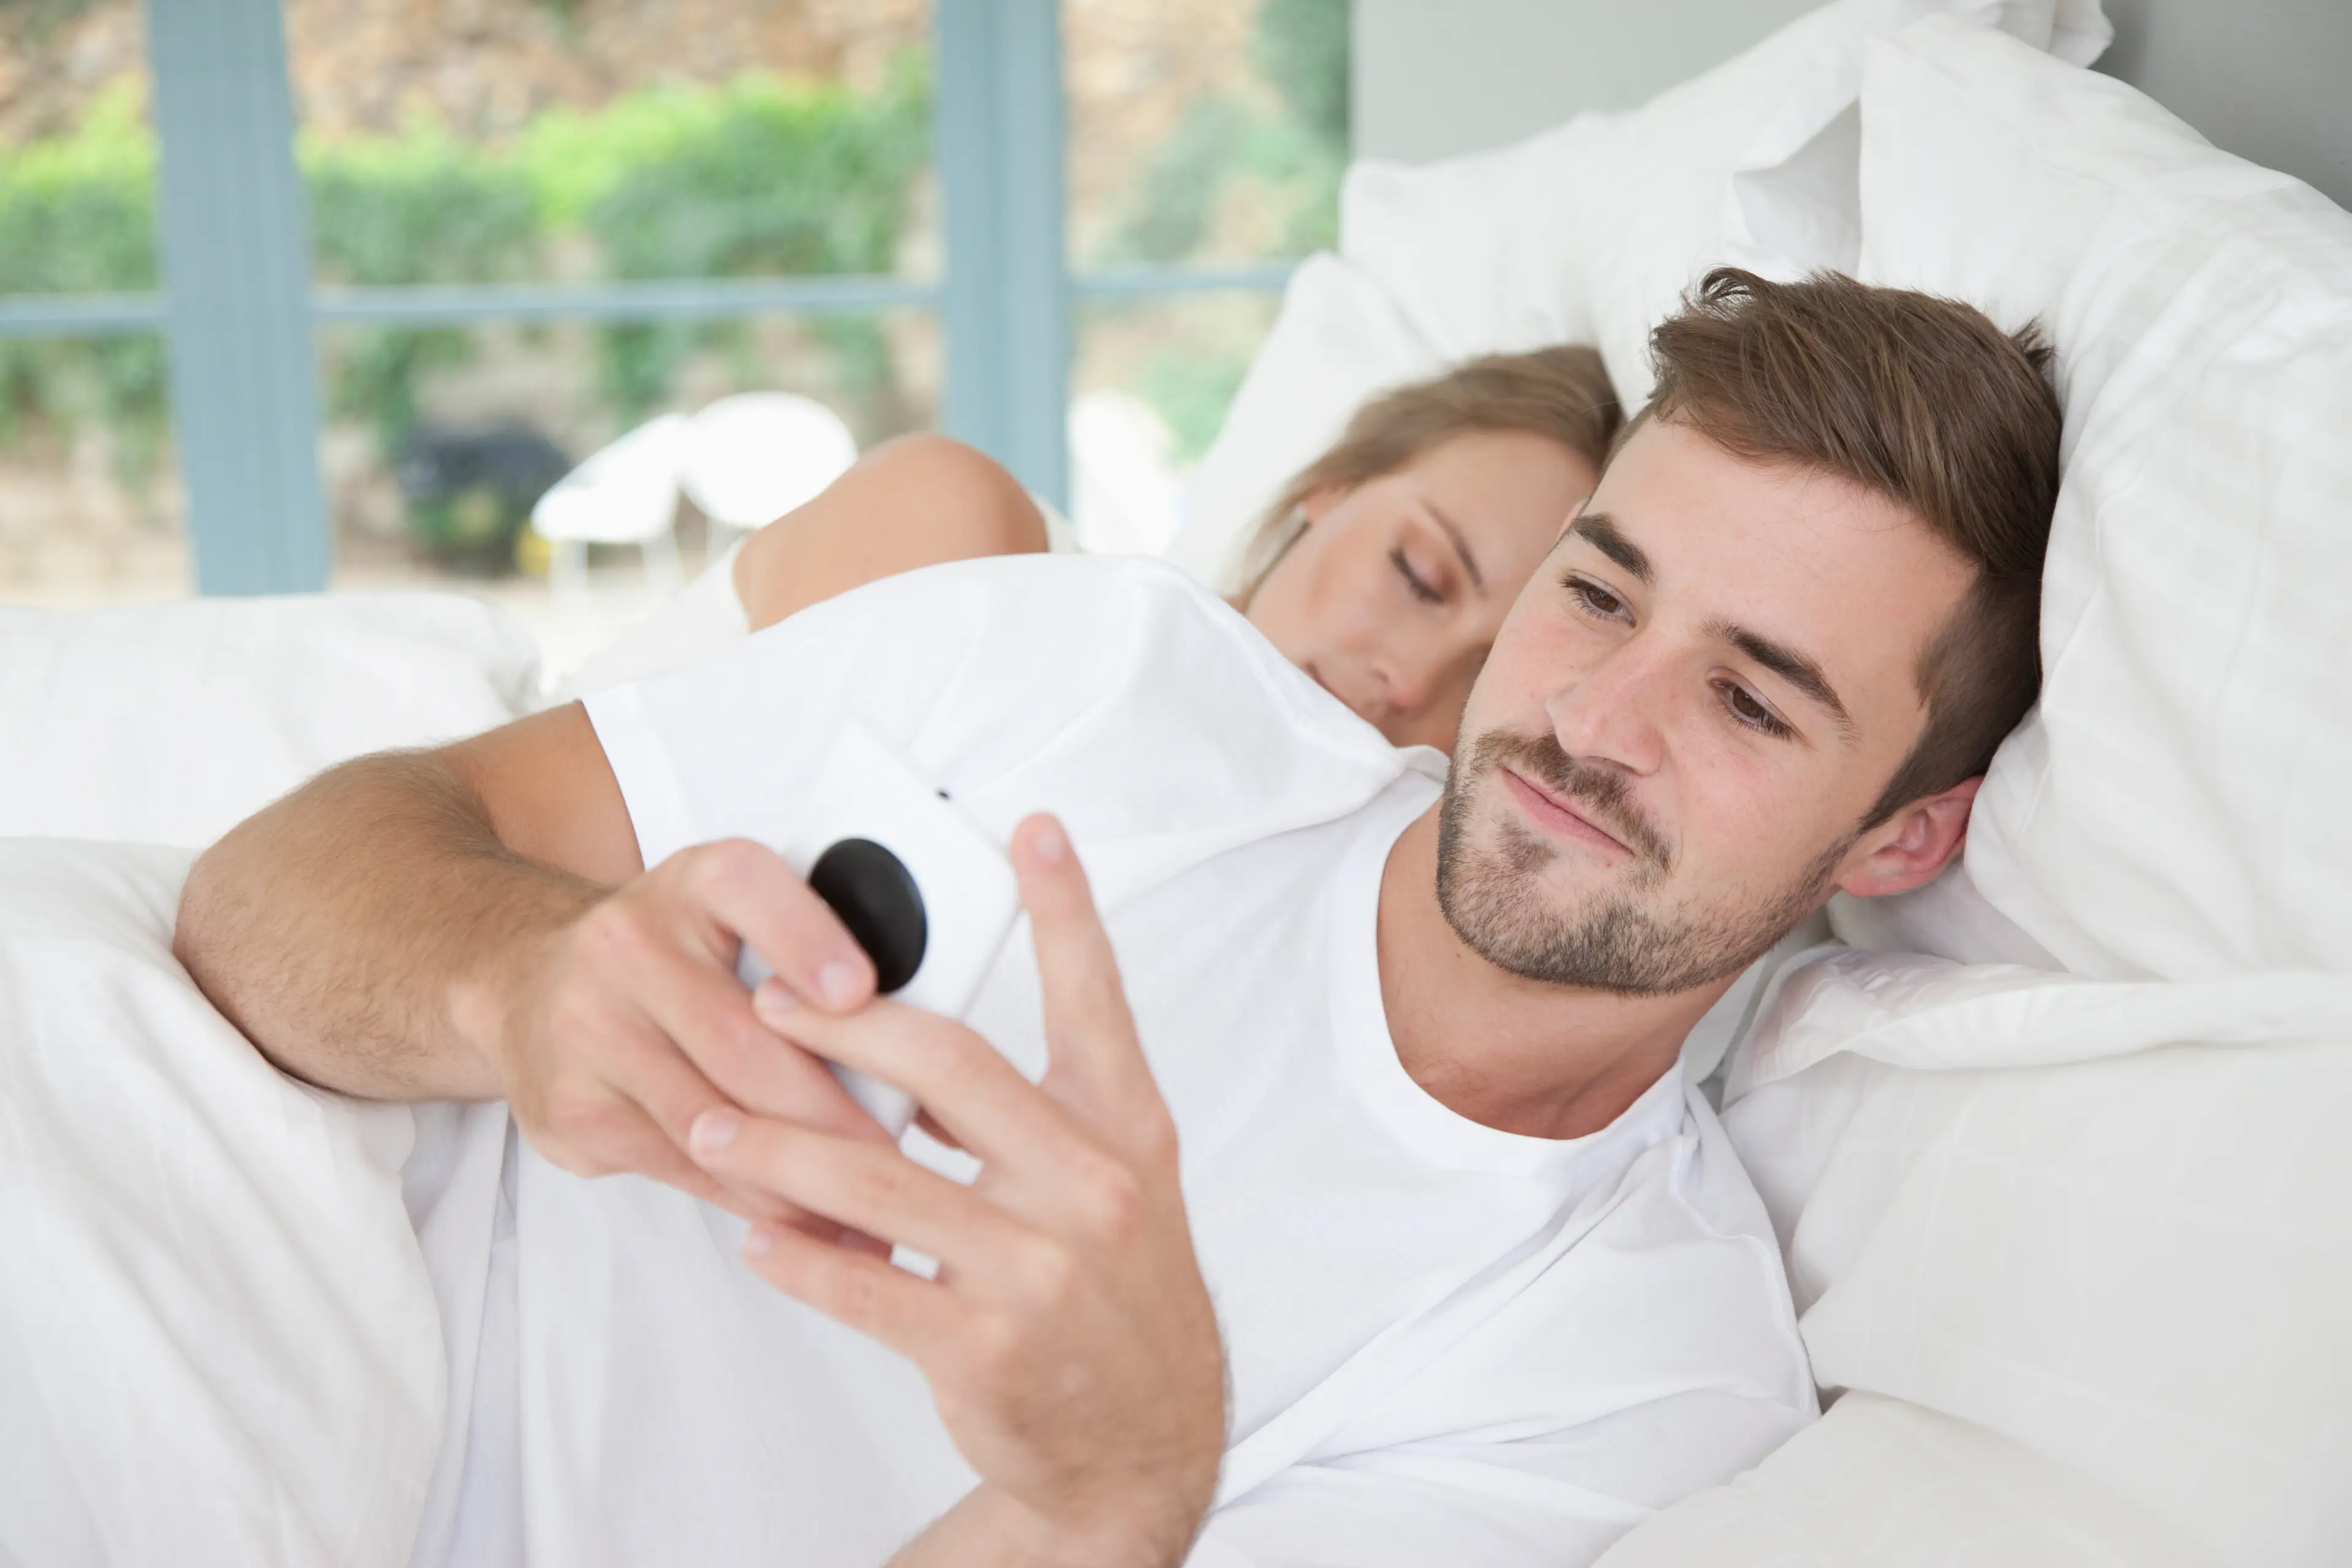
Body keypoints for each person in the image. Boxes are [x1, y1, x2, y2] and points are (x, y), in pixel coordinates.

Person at [175, 268, 2063, 1567]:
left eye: (1749, 700)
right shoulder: (1099, 672)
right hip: (256, 1343)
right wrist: (513, 982)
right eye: (1597, 593)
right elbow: (267, 891)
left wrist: (1107, 1501)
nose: (1593, 716)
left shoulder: (1636, 1368)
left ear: (1901, 840)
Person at [600, 345, 1620, 755]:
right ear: (1332, 488)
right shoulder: (965, 539)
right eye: (1419, 575)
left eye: (1489, 677)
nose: (1413, 680)